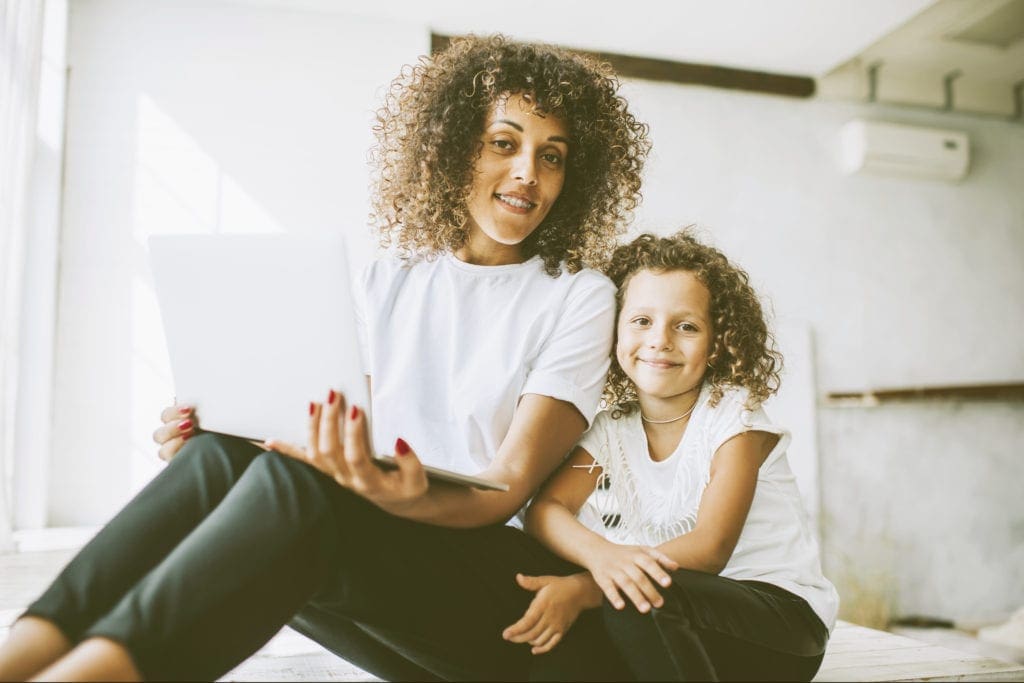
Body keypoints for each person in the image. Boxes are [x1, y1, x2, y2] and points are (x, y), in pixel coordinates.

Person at [0, 35, 650, 681]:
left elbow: (503, 489)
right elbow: (335, 433)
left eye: (553, 156)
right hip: (365, 534)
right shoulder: (387, 278)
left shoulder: (580, 298)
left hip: (491, 578)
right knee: (219, 456)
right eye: (504, 143)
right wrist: (225, 428)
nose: (528, 174)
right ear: (454, 147)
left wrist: (391, 495)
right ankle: (27, 646)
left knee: (298, 487)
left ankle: (97, 673)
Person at [501, 231, 839, 681]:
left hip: (779, 623)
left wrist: (588, 585)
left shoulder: (734, 417)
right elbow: (547, 509)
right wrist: (602, 558)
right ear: (613, 331)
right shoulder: (610, 430)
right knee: (582, 630)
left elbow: (710, 547)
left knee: (636, 599)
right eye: (641, 320)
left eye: (687, 326)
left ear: (717, 343)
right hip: (680, 621)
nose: (660, 340)